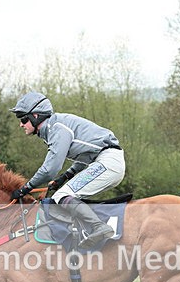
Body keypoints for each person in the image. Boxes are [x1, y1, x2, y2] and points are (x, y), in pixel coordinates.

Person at [9, 91, 125, 249]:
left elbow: (50, 169)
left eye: (23, 119)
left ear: (35, 116)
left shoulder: (57, 128)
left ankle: (99, 227)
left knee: (62, 195)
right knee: (64, 195)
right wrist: (65, 176)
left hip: (108, 162)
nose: (21, 124)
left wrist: (26, 188)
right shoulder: (55, 126)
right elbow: (86, 155)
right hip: (105, 161)